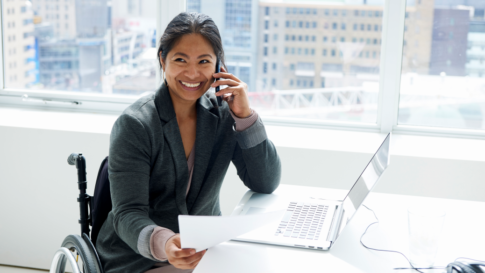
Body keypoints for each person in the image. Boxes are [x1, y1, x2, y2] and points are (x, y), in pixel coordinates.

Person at [96, 12, 281, 273]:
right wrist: (166, 242)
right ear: (163, 60)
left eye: (204, 61)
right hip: (139, 259)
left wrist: (245, 117)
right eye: (180, 59)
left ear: (219, 66)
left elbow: (265, 182)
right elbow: (127, 214)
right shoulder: (135, 124)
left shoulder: (224, 115)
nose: (192, 73)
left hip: (205, 253)